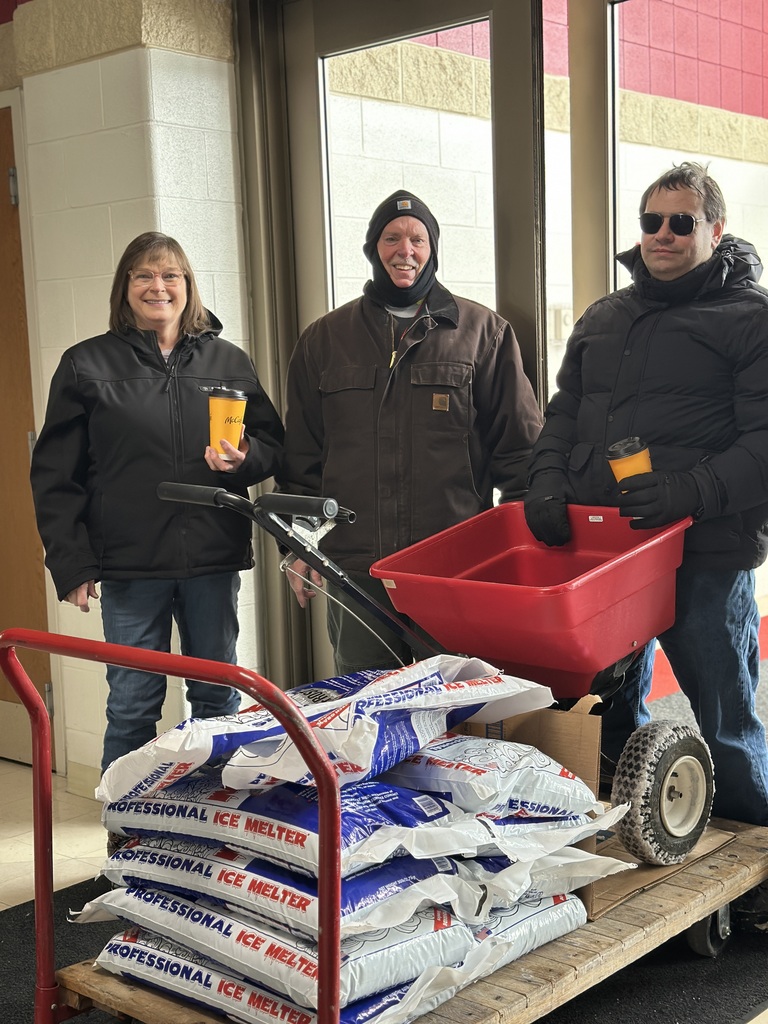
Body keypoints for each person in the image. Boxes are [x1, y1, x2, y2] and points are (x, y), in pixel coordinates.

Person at [523, 162, 768, 928]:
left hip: (705, 553)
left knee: (724, 722)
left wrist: (688, 490)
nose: (663, 235)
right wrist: (545, 483)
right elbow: (564, 414)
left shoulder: (750, 318)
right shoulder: (606, 315)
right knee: (606, 714)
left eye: (681, 222)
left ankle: (760, 881)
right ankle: (638, 848)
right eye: (652, 221)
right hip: (610, 557)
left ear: (715, 229)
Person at [30, 231, 284, 781]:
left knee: (218, 699)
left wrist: (244, 460)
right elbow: (55, 476)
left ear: (188, 285)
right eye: (143, 275)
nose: (158, 286)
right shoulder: (85, 364)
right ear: (125, 287)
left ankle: (210, 817)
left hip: (212, 558)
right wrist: (71, 562)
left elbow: (272, 445)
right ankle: (125, 823)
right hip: (129, 563)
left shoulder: (229, 360)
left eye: (170, 275)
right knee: (132, 703)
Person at [276, 190, 543, 676]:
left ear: (432, 248)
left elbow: (521, 454)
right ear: (372, 248)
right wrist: (298, 545)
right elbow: (302, 457)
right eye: (392, 238)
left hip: (454, 568)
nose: (406, 250)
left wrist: (523, 552)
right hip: (356, 570)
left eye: (418, 239)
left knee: (458, 703)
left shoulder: (483, 333)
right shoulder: (325, 339)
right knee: (368, 703)